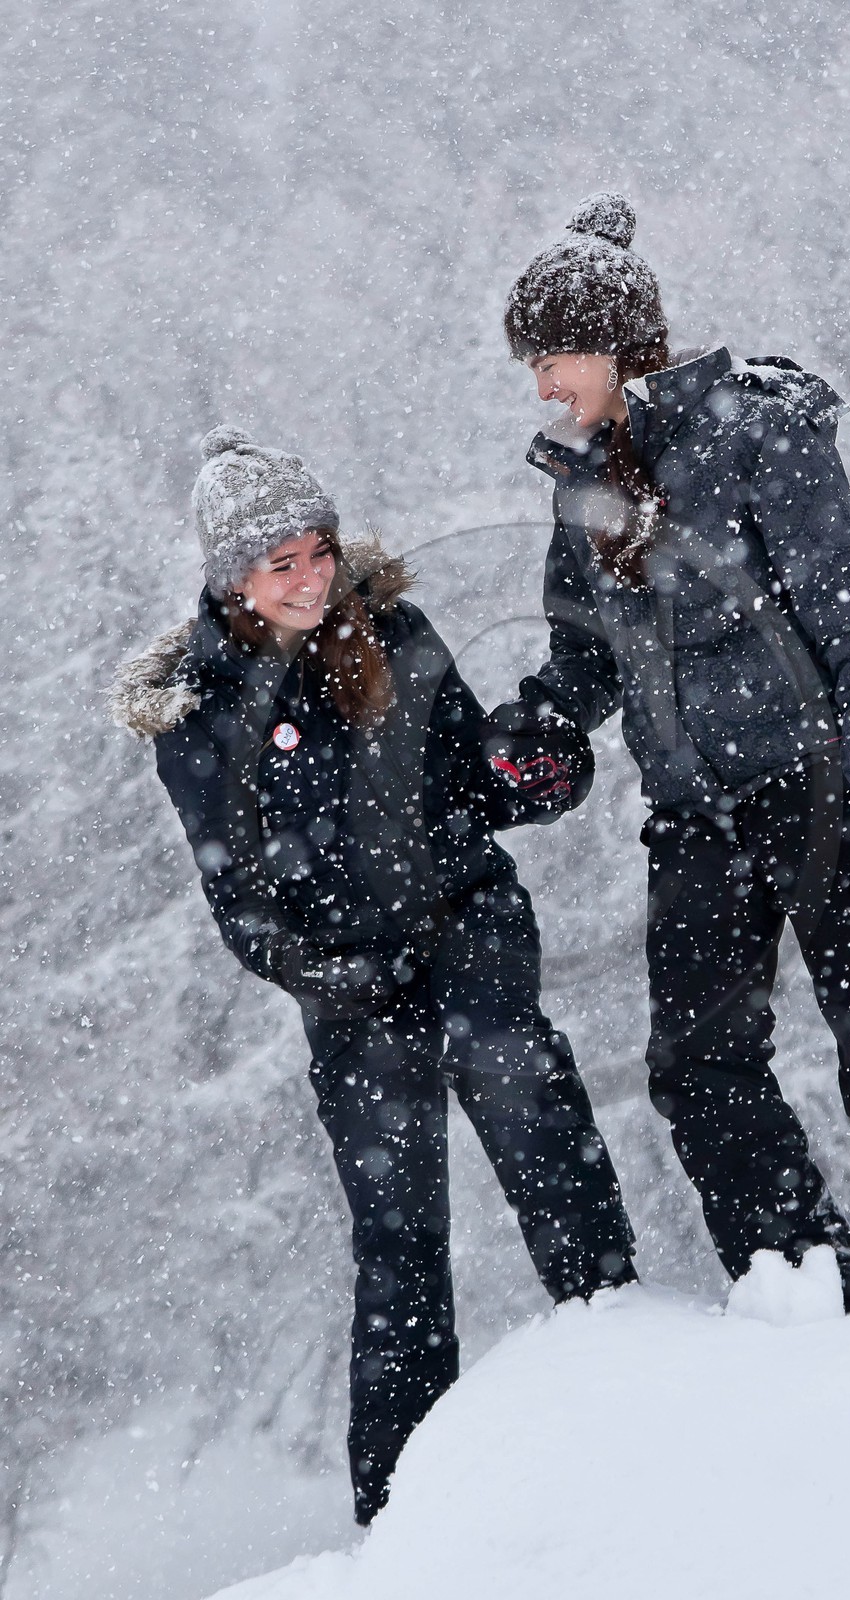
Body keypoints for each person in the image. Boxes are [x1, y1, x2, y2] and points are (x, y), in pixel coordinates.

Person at [488, 193, 850, 1311]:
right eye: (530, 363)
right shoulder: (581, 484)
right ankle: (810, 1291)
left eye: (552, 357)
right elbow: (583, 658)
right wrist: (535, 725)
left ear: (619, 343)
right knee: (696, 1073)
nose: (540, 385)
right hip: (691, 819)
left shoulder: (751, 433)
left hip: (817, 797)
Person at [110, 425, 636, 1524]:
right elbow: (243, 906)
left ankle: (630, 1369)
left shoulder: (391, 631)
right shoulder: (199, 716)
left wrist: (535, 771)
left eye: (316, 552)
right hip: (352, 999)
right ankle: (399, 1518)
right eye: (279, 563)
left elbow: (471, 779)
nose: (307, 579)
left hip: (468, 932)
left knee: (543, 1137)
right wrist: (345, 973)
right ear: (230, 579)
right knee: (399, 1246)